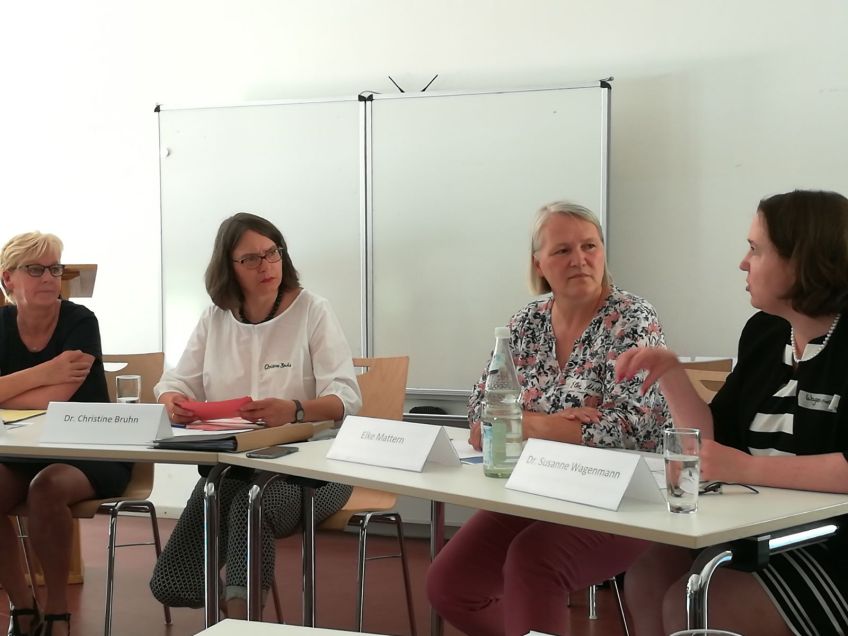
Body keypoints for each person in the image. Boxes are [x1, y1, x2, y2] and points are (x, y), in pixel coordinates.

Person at [425, 201, 671, 636]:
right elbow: (481, 415)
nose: (579, 259)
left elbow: (625, 427)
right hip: (543, 483)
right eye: (562, 250)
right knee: (450, 586)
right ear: (538, 263)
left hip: (624, 493)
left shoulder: (632, 316)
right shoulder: (526, 322)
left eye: (589, 246)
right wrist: (563, 423)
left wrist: (528, 422)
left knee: (535, 562)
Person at [616, 189, 848, 636]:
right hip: (761, 529)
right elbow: (712, 442)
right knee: (647, 574)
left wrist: (745, 468)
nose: (743, 263)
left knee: (694, 602)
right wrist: (671, 373)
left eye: (756, 249)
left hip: (832, 544)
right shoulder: (765, 333)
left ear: (802, 260)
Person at [149, 212, 361, 619]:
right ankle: (238, 610)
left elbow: (346, 398)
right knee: (173, 583)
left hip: (316, 469)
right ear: (228, 267)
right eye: (251, 259)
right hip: (234, 467)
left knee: (251, 505)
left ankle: (243, 621)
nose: (266, 265)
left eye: (272, 252)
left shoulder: (313, 310)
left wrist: (295, 409)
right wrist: (173, 398)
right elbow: (176, 381)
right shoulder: (215, 317)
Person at [0, 231, 127, 636]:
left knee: (47, 487)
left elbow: (58, 397)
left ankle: (57, 610)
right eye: (35, 269)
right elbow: (49, 386)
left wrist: (8, 390)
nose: (49, 278)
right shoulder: (1, 325)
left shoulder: (80, 321)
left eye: (55, 269)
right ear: (8, 278)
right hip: (21, 448)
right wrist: (47, 371)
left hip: (89, 448)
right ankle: (22, 606)